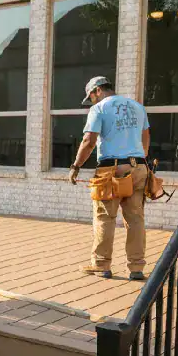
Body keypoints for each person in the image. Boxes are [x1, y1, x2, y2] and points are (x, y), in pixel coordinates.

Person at [69, 76, 150, 281]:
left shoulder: (99, 109)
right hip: (139, 166)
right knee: (135, 219)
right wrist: (138, 161)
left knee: (105, 217)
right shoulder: (138, 107)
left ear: (97, 90)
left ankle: (102, 265)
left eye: (91, 96)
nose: (92, 101)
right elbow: (146, 139)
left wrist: (76, 166)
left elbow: (89, 141)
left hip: (110, 170)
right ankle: (136, 268)